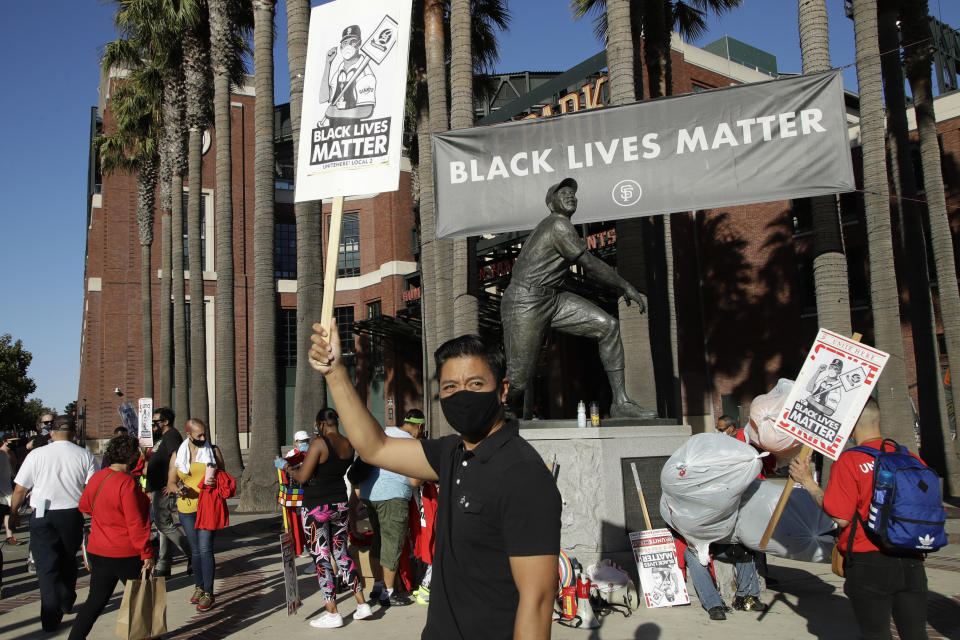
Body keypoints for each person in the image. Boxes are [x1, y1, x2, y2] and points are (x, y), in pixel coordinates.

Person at [309, 326, 562, 640]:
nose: (462, 395)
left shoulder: (523, 474)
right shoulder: (452, 453)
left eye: (476, 383)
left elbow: (537, 603)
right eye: (450, 386)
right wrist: (335, 373)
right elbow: (376, 447)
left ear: (503, 390)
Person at [500, 178, 654, 418]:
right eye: (563, 193)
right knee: (518, 379)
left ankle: (621, 402)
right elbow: (588, 263)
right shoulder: (557, 225)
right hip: (526, 299)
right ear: (552, 203)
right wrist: (625, 285)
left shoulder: (562, 226)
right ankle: (493, 409)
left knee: (608, 327)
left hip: (554, 298)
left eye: (573, 194)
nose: (570, 196)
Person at [790, 398, 928, 640]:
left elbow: (841, 517)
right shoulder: (910, 458)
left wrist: (808, 483)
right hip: (912, 561)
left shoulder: (851, 460)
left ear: (851, 424)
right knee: (916, 634)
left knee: (876, 634)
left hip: (869, 562)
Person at [280, 408, 371, 629]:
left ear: (321, 423)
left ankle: (332, 612)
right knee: (341, 553)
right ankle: (362, 604)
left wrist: (287, 468)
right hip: (339, 503)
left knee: (322, 558)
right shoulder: (348, 444)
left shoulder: (319, 444)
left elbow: (303, 477)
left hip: (316, 507)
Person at [10, 420, 98, 630]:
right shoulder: (84, 455)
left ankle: (50, 614)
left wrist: (14, 513)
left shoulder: (37, 455)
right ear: (74, 433)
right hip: (71, 512)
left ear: (51, 432)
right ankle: (66, 600)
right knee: (68, 559)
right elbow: (93, 488)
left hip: (42, 513)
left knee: (46, 565)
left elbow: (21, 488)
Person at [67, 435, 154, 640]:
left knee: (95, 601)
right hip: (126, 551)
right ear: (132, 456)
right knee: (140, 602)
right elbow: (135, 523)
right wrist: (147, 552)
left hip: (99, 548)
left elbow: (85, 506)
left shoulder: (98, 477)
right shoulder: (127, 483)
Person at [355, 422, 417, 608]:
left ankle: (378, 585)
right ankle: (388, 594)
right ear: (418, 428)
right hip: (392, 495)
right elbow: (415, 479)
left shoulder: (377, 434)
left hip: (369, 494)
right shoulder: (406, 440)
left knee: (379, 540)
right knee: (392, 542)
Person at [166, 418, 224, 612]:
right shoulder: (178, 454)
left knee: (206, 548)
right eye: (199, 435)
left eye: (205, 434)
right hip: (186, 508)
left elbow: (224, 475)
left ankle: (209, 592)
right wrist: (178, 489)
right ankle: (199, 587)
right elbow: (171, 482)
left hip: (208, 507)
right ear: (188, 434)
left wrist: (215, 482)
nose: (203, 438)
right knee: (196, 550)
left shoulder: (213, 451)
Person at [146, 407, 191, 577]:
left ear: (165, 422)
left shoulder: (172, 436)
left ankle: (192, 554)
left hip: (164, 488)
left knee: (164, 524)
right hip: (157, 488)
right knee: (161, 526)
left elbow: (175, 456)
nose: (153, 424)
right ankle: (164, 564)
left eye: (156, 421)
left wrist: (171, 482)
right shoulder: (162, 437)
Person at [398, 410, 436, 605]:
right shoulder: (415, 445)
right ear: (420, 426)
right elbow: (415, 480)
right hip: (422, 504)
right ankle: (425, 588)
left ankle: (418, 585)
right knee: (431, 543)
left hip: (411, 505)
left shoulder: (392, 438)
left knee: (420, 544)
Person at [683, 542, 767, 620]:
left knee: (745, 548)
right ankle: (714, 604)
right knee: (693, 554)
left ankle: (746, 597)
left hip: (721, 543)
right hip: (695, 544)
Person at [319, 25, 376, 127]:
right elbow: (323, 98)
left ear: (359, 43)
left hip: (353, 134)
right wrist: (328, 64)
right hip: (334, 133)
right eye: (345, 42)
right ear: (341, 46)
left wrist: (335, 113)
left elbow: (366, 110)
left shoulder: (365, 73)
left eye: (352, 41)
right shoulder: (339, 72)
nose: (348, 45)